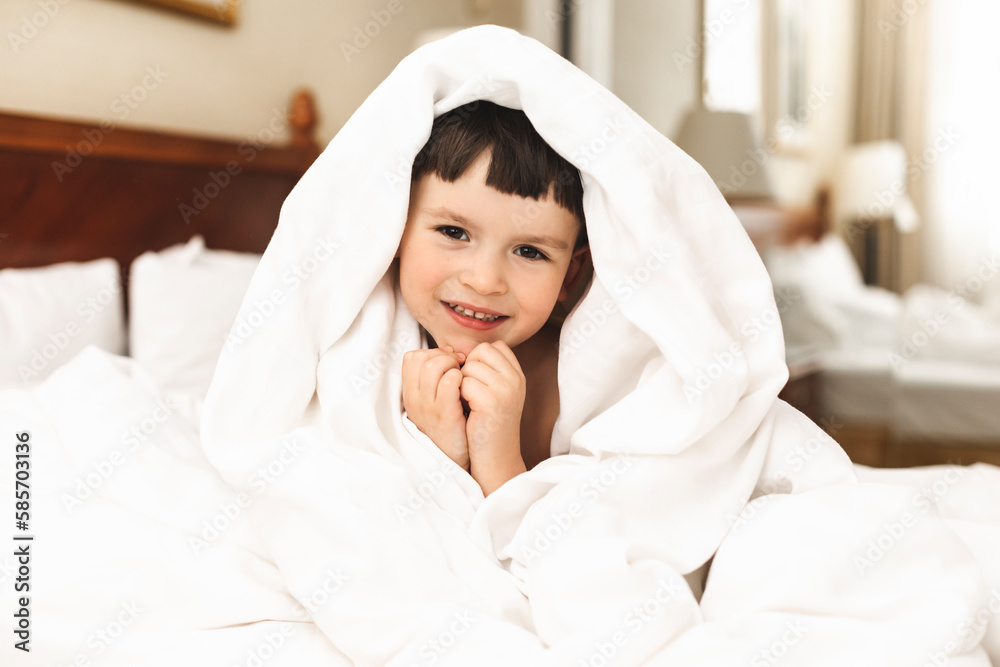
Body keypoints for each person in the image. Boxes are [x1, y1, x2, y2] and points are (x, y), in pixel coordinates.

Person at [396, 101, 590, 497]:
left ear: (570, 274)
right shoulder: (359, 351)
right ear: (395, 227)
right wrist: (438, 452)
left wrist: (497, 457)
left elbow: (564, 534)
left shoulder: (580, 386)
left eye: (530, 252)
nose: (485, 282)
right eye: (454, 232)